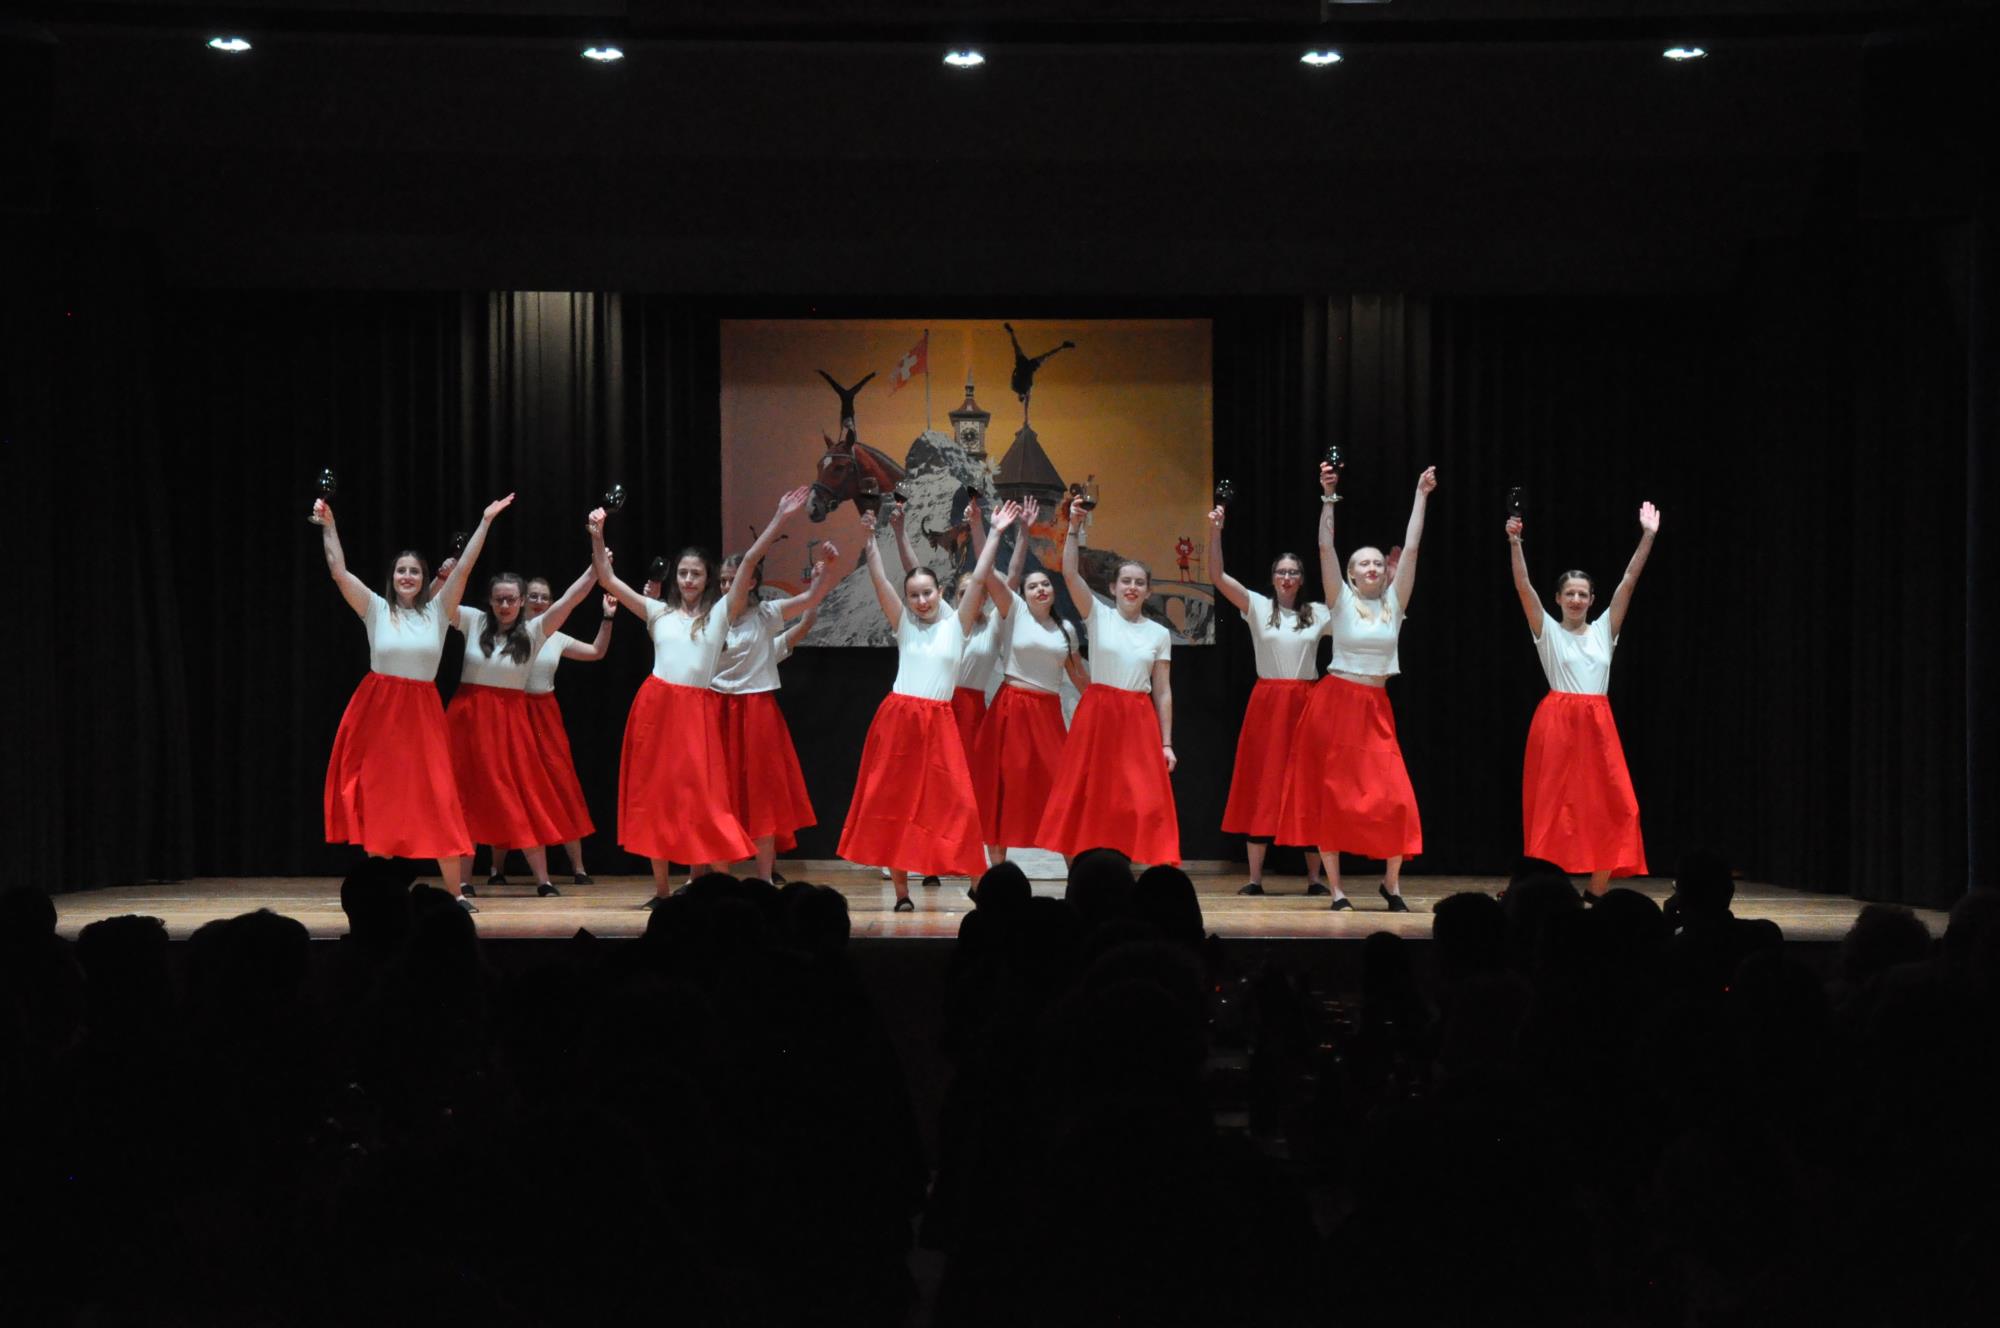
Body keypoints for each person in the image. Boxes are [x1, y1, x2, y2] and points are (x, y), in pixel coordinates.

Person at [589, 491, 807, 905]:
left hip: (697, 711)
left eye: (696, 574)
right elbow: (606, 578)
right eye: (683, 573)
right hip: (655, 708)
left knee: (707, 801)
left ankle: (719, 892)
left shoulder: (720, 614)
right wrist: (598, 534)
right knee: (656, 798)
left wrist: (779, 517)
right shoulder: (658, 612)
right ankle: (661, 891)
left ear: (708, 580)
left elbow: (748, 563)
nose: (689, 580)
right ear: (676, 578)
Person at [313, 492, 513, 909]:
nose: (407, 576)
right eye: (401, 570)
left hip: (421, 715)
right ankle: (380, 894)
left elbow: (465, 567)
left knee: (439, 797)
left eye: (415, 571)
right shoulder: (375, 608)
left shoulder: (439, 611)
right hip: (379, 715)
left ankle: (455, 893)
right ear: (393, 576)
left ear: (424, 578)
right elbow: (338, 571)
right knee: (381, 800)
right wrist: (329, 526)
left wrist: (485, 522)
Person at [839, 500, 1021, 911]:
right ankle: (902, 894)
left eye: (927, 593)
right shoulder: (904, 623)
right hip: (899, 719)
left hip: (939, 722)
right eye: (914, 595)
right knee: (895, 804)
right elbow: (880, 580)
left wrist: (994, 532)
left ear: (940, 593)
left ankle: (978, 884)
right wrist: (869, 539)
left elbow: (979, 578)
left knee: (960, 804)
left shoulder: (957, 625)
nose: (921, 601)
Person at [1278, 462, 1437, 911]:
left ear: (1385, 573)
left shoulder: (1395, 603)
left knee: (1395, 798)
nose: (1372, 567)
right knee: (1332, 799)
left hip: (1374, 706)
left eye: (1377, 563)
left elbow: (1412, 547)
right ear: (1351, 575)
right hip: (1334, 704)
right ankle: (1337, 890)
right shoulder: (1341, 600)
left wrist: (1421, 495)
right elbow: (1324, 547)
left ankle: (1391, 884)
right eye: (1363, 563)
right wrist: (1328, 498)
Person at [1507, 501, 1659, 897]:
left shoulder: (1605, 629)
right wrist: (1515, 542)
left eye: (1583, 594)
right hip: (1557, 721)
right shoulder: (1547, 630)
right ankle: (1534, 889)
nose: (1576, 599)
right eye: (1570, 593)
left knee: (1617, 805)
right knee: (1551, 809)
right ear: (1558, 598)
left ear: (1592, 600)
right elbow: (1523, 587)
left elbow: (1629, 580)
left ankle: (1596, 891)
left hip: (1598, 723)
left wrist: (1648, 536)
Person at [1035, 493, 1180, 865]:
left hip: (1137, 717)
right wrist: (1073, 529)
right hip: (1099, 713)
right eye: (1125, 581)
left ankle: (1128, 869)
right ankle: (1085, 871)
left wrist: (1166, 743)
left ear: (1147, 591)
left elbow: (1163, 692)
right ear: (1113, 588)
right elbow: (1069, 574)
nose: (1132, 587)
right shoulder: (1098, 615)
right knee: (1090, 793)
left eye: (1139, 582)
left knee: (1138, 798)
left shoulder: (1158, 634)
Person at [1205, 505, 1331, 896]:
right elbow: (1217, 576)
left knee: (1308, 785)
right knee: (1262, 781)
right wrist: (1215, 532)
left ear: (1302, 579)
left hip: (1307, 702)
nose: (1287, 578)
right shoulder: (1258, 607)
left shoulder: (1319, 613)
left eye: (1293, 572)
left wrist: (1389, 580)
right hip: (1268, 704)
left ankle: (1315, 879)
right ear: (1273, 577)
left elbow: (1357, 611)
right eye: (1281, 572)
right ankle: (1255, 878)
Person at [713, 529, 841, 883]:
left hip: (757, 710)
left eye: (734, 579)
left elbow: (811, 599)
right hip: (718, 709)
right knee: (719, 794)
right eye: (723, 581)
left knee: (762, 795)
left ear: (752, 581)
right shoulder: (713, 617)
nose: (727, 586)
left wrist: (826, 569)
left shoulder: (766, 614)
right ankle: (717, 880)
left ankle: (765, 879)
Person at [472, 567, 607, 893]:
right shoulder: (506, 633)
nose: (537, 601)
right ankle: (496, 868)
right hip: (513, 710)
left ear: (550, 602)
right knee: (505, 785)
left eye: (543, 597)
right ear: (521, 600)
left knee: (560, 784)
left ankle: (578, 867)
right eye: (532, 595)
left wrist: (608, 617)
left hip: (544, 714)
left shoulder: (553, 635)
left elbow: (596, 652)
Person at [969, 505, 1089, 863]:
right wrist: (986, 528)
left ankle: (1076, 875)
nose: (1040, 589)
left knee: (1059, 790)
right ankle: (997, 875)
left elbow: (1079, 677)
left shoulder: (1066, 629)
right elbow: (986, 571)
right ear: (1024, 592)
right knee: (1002, 790)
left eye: (1045, 584)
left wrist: (1107, 706)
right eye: (1032, 586)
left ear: (1052, 591)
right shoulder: (1014, 610)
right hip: (1011, 710)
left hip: (1047, 713)